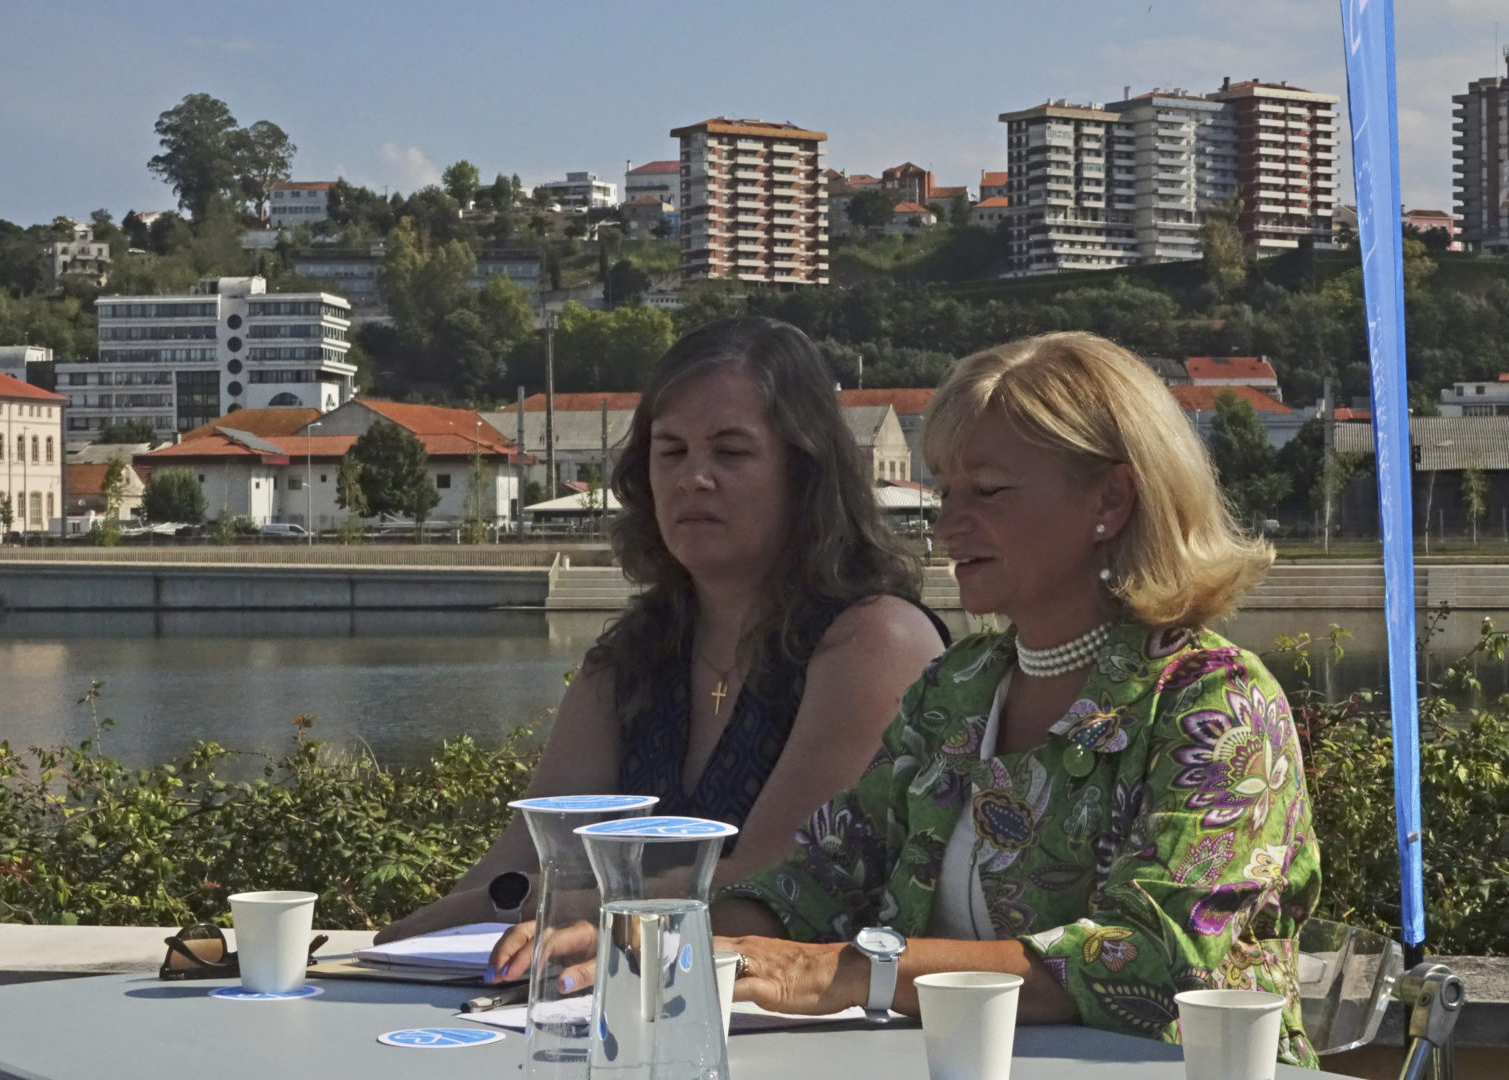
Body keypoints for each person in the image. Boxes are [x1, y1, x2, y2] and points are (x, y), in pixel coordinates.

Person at [710, 331, 1321, 1068]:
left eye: (988, 490)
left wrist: (849, 971)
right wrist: (689, 944)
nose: (947, 524)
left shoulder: (1217, 703)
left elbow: (1155, 956)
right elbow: (825, 876)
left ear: (1111, 499)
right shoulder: (956, 687)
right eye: (946, 492)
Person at [375, 317, 951, 945]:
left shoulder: (875, 641)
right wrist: (396, 946)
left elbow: (774, 883)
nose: (692, 478)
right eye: (671, 451)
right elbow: (523, 858)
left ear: (805, 471)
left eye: (731, 452)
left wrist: (523, 903)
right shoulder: (631, 660)